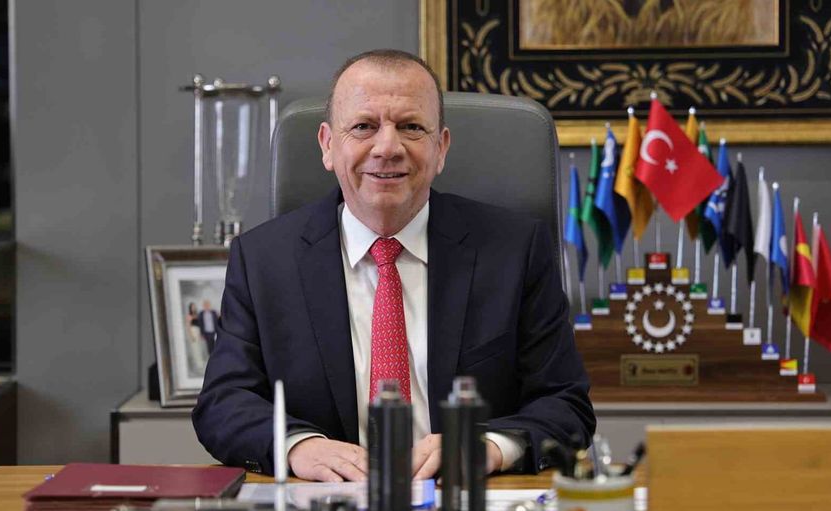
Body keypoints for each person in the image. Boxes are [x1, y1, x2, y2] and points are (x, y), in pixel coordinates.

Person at [193, 49, 595, 482]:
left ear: (440, 149)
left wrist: (491, 447)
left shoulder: (515, 251)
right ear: (328, 145)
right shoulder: (262, 259)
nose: (387, 148)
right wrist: (297, 446)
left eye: (411, 127)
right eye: (364, 126)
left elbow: (565, 404)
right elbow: (223, 403)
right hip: (327, 497)